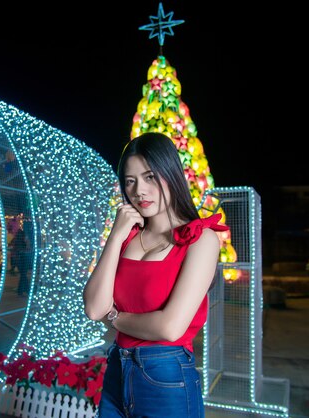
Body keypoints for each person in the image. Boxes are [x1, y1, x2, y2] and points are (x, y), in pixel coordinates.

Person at [83, 132, 227, 418]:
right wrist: (115, 236)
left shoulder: (200, 240)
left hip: (166, 376)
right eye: (130, 181)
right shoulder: (126, 238)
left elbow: (170, 327)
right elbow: (93, 308)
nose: (139, 191)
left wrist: (115, 318)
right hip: (117, 369)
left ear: (171, 174)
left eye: (150, 177)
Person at [12, 227, 30, 296]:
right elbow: (28, 249)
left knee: (23, 275)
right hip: (23, 259)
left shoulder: (16, 241)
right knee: (23, 275)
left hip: (18, 259)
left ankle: (21, 291)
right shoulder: (22, 241)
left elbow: (15, 250)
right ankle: (26, 290)